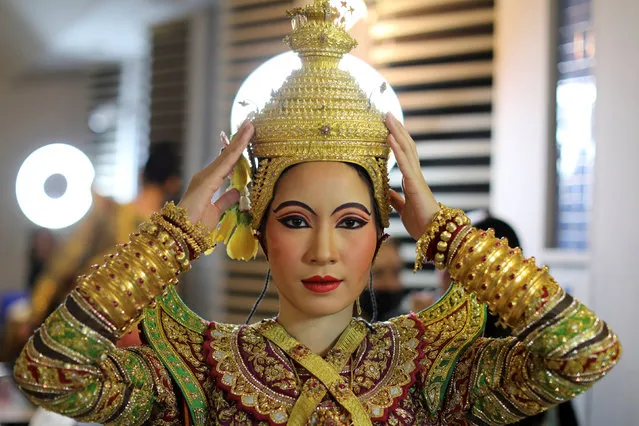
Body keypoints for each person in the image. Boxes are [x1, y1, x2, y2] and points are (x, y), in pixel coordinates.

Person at [13, 2, 620, 425]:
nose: (323, 250)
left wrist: (448, 234)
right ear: (259, 226)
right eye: (296, 220)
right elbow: (47, 370)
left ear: (381, 231)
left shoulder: (428, 370)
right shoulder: (198, 375)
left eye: (351, 222)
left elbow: (584, 351)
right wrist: (169, 237)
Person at [26, 140, 182, 328]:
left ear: (141, 175)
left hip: (88, 313)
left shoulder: (110, 212)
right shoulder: (169, 237)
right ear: (173, 184)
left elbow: (67, 260)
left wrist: (36, 308)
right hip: (139, 333)